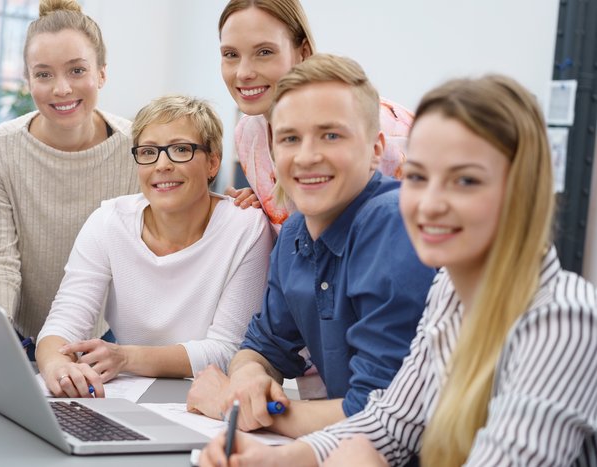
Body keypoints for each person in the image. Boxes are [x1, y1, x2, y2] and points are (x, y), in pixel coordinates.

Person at [199, 75, 597, 466]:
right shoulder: (451, 291)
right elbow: (390, 422)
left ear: (521, 190)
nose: (430, 203)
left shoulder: (563, 316)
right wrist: (279, 460)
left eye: (465, 180)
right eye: (419, 177)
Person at [186, 54, 435, 438]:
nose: (306, 156)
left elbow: (378, 413)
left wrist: (230, 404)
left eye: (331, 135)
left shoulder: (395, 223)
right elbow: (263, 347)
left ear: (375, 149)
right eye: (289, 138)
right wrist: (249, 380)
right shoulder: (294, 233)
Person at [36, 95, 273, 398]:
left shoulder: (247, 228)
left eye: (180, 149)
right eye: (148, 152)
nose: (162, 165)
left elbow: (229, 351)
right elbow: (64, 321)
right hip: (128, 393)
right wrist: (57, 364)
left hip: (207, 397)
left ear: (213, 162)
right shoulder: (108, 221)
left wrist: (126, 357)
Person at [0, 0, 140, 357]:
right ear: (28, 80)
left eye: (77, 70)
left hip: (107, 339)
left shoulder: (137, 148)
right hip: (22, 336)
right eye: (44, 74)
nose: (61, 88)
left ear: (102, 74)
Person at [218, 0, 414, 226]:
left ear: (303, 52)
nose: (243, 73)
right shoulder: (248, 135)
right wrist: (259, 210)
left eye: (264, 52)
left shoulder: (381, 127)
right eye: (231, 54)